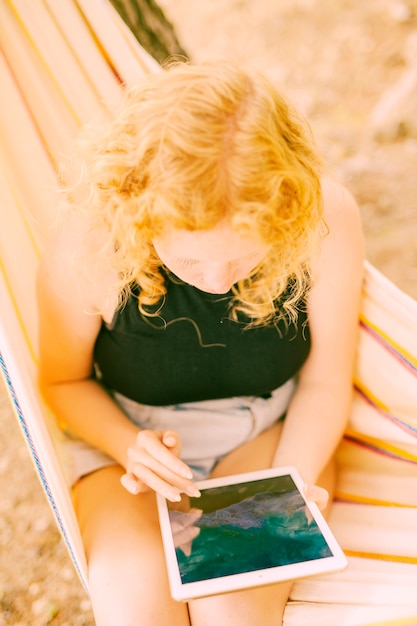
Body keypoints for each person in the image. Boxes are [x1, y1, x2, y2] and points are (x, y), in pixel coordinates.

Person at [37, 60, 364, 625]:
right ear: (139, 218)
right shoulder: (90, 246)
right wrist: (128, 444)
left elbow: (327, 380)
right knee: (140, 615)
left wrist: (291, 488)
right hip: (129, 451)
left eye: (242, 255)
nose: (216, 280)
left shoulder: (323, 219)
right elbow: (61, 382)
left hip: (265, 435)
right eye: (188, 258)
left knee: (231, 612)